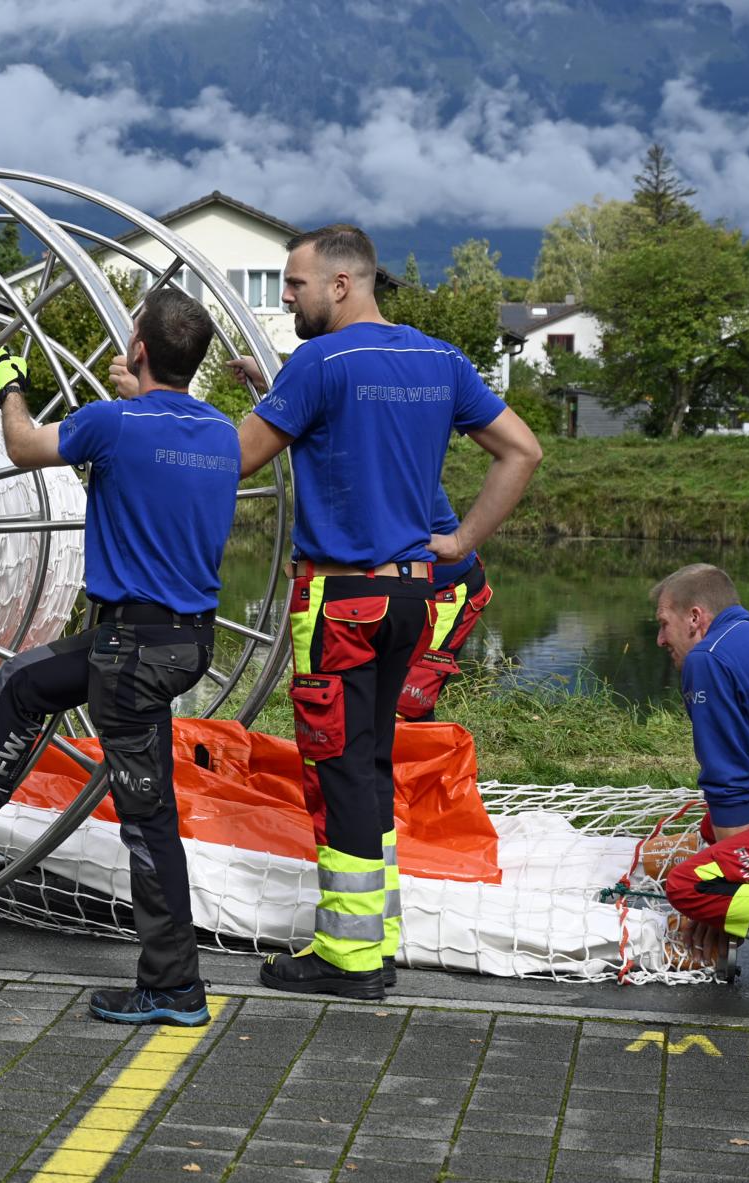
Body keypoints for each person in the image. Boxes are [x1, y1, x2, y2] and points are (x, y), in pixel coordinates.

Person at [0, 288, 238, 1026]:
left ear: (141, 350)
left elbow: (23, 446)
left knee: (148, 820)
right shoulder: (218, 433)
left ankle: (173, 985)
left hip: (131, 651)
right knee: (27, 682)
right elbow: (160, 443)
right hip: (181, 639)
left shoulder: (112, 424)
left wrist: (10, 386)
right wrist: (136, 394)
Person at [229, 224, 541, 998]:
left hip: (339, 600)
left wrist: (150, 420)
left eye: (295, 284)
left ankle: (347, 957)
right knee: (368, 765)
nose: (288, 297)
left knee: (337, 771)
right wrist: (462, 537)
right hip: (410, 594)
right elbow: (522, 451)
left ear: (341, 284)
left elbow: (234, 459)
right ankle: (379, 939)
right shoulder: (439, 361)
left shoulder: (318, 363)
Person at [650, 564, 749, 977]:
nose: (660, 640)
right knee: (713, 829)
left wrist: (722, 905)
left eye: (663, 624)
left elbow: (730, 784)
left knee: (687, 885)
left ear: (695, 619)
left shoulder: (708, 660)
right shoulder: (744, 638)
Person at [396, 491, 494, 722]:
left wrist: (460, 543)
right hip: (397, 589)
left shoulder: (401, 464)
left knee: (408, 702)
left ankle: (418, 753)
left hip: (448, 591)